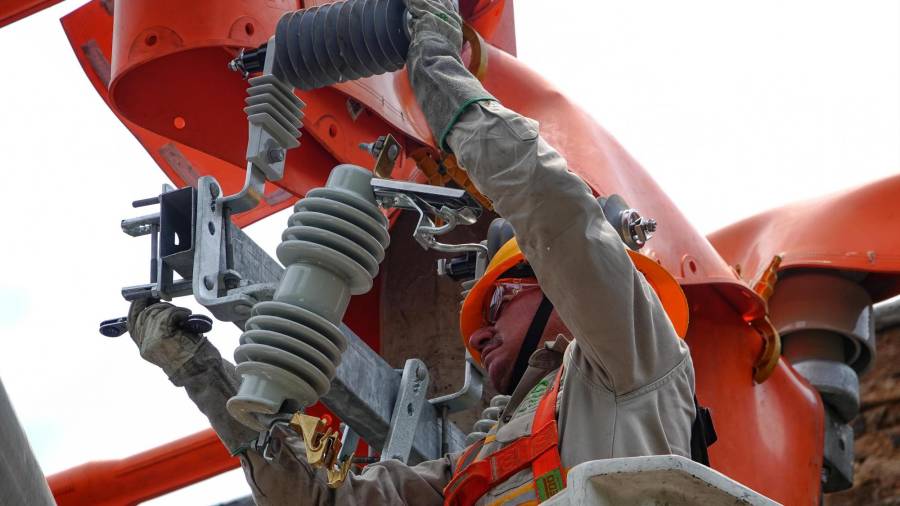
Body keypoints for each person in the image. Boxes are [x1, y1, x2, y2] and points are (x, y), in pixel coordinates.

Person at [125, 0, 700, 504]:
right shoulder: (471, 472)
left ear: (557, 287)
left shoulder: (636, 359)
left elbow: (553, 207)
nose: (474, 337)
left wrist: (442, 83)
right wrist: (202, 374)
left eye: (498, 300)